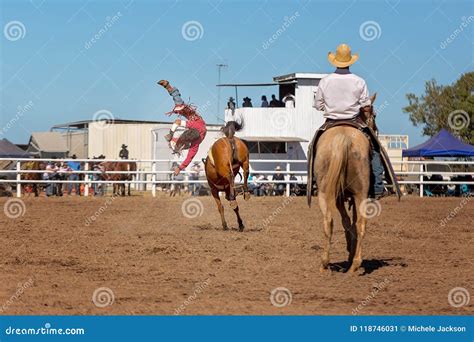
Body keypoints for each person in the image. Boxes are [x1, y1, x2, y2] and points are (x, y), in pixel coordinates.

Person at [313, 43, 385, 199]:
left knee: (313, 147)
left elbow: (317, 104)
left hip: (331, 122)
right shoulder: (359, 81)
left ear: (335, 61)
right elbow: (366, 104)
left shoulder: (325, 81)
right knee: (375, 150)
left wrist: (329, 105)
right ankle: (378, 187)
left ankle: (315, 180)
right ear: (350, 61)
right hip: (354, 122)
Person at [157, 80, 207, 176]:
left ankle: (175, 144)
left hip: (198, 128)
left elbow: (189, 158)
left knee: (180, 107)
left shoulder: (195, 144)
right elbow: (178, 122)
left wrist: (180, 168)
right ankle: (169, 87)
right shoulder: (194, 126)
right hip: (196, 120)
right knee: (180, 106)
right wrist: (171, 134)